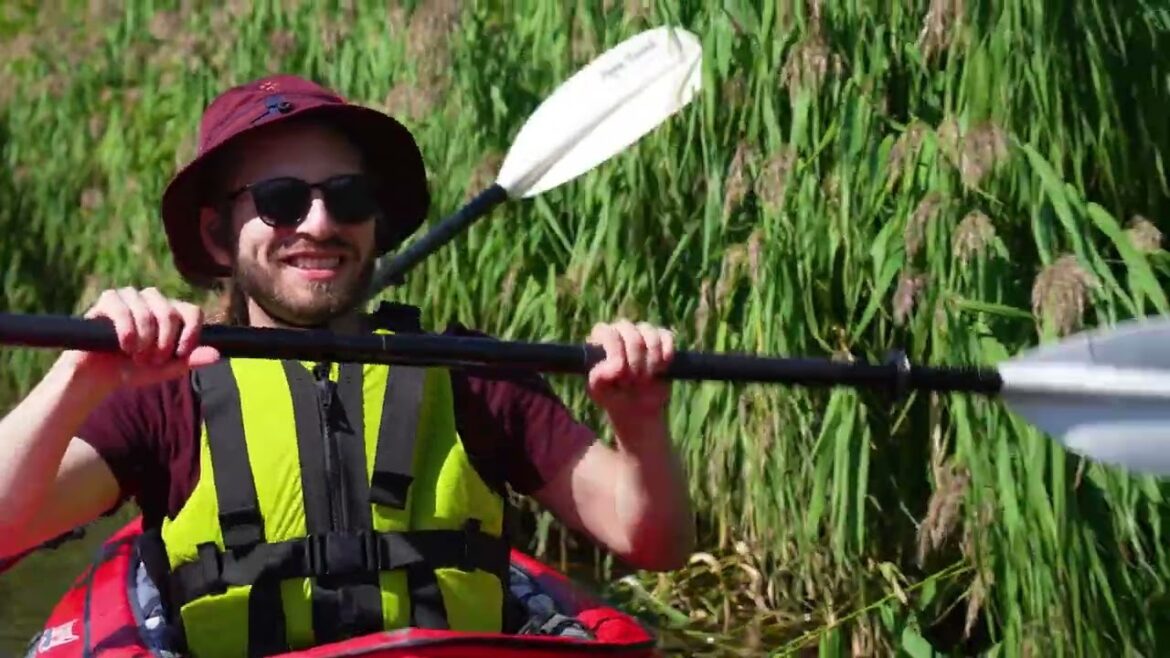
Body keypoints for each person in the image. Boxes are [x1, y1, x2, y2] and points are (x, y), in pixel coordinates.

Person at [0, 75, 694, 655]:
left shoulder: (472, 373)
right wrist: (76, 377)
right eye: (280, 200)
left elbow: (649, 539)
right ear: (217, 235)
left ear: (375, 220)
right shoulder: (168, 389)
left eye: (347, 196)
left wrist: (639, 422)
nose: (320, 223)